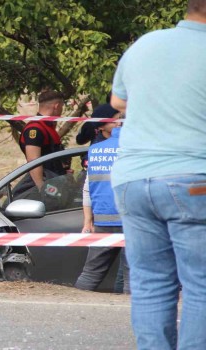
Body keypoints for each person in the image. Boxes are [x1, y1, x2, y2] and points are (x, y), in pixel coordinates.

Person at [110, 2, 206, 348]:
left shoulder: (144, 44)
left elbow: (118, 102)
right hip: (194, 178)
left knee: (150, 282)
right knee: (201, 285)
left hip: (132, 180)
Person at [74, 111, 128, 294]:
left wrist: (88, 221)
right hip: (131, 220)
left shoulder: (95, 150)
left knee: (90, 274)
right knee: (133, 276)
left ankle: (74, 307)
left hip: (103, 221)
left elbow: (88, 187)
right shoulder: (136, 149)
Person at [18, 91, 67, 191]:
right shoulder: (35, 129)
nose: (62, 110)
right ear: (56, 106)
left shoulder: (47, 127)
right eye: (62, 106)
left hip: (55, 179)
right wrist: (42, 188)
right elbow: (33, 161)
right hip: (45, 183)